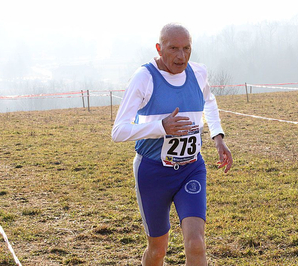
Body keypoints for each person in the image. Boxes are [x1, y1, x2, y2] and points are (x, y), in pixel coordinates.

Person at [112, 23, 233, 266]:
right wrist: (160, 127)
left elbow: (209, 101)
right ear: (159, 48)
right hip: (153, 172)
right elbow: (118, 131)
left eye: (187, 48)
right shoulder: (144, 78)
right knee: (157, 251)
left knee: (196, 244)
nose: (181, 56)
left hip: (191, 168)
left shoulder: (198, 73)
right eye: (173, 48)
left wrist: (217, 137)